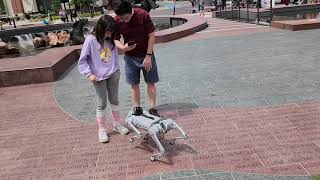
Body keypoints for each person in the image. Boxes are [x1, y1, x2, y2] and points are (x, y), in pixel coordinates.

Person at [78, 15, 135, 143]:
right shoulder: (91, 40)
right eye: (108, 31)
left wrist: (116, 69)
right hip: (98, 77)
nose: (110, 34)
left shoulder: (110, 40)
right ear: (100, 28)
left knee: (114, 100)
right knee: (101, 103)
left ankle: (117, 124)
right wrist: (88, 74)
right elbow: (83, 60)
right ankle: (102, 129)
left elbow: (114, 54)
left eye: (111, 32)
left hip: (113, 73)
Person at [114, 1, 160, 117]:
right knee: (134, 84)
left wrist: (148, 56)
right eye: (121, 18)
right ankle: (137, 108)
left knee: (150, 82)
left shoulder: (143, 14)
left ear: (131, 11)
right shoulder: (118, 19)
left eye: (126, 18)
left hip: (146, 55)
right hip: (130, 57)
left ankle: (152, 108)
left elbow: (152, 35)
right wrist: (123, 48)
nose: (124, 20)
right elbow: (115, 39)